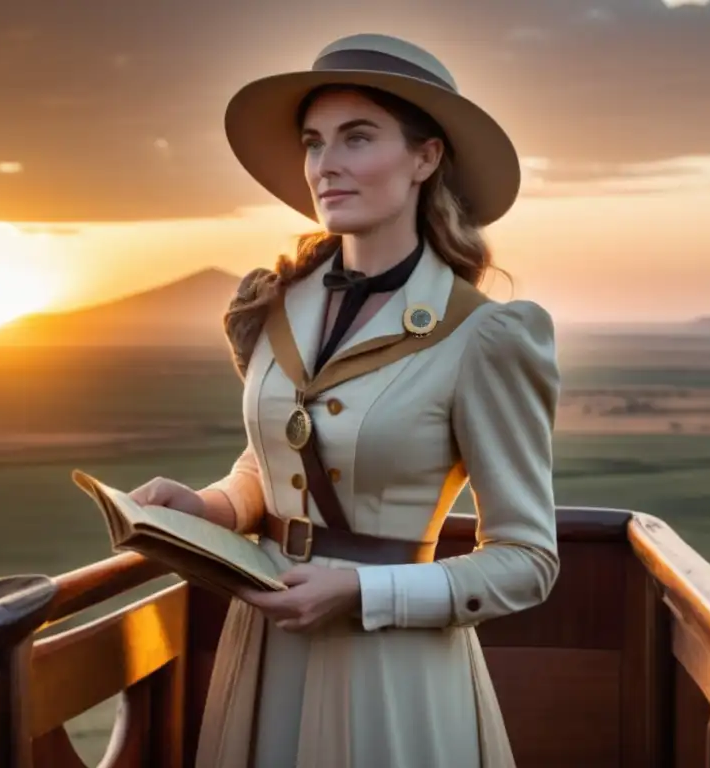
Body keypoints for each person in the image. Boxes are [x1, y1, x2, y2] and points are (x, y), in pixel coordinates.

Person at [129, 33, 560, 768]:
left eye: (357, 139)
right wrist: (203, 509)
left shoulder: (484, 337)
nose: (325, 165)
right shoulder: (270, 307)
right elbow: (272, 465)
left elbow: (527, 561)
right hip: (264, 653)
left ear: (425, 159)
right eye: (314, 142)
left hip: (394, 677)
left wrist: (362, 593)